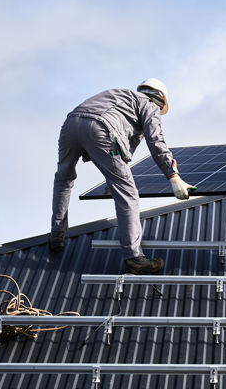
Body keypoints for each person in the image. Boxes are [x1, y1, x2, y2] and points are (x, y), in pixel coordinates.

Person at [49, 79, 193, 274]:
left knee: (63, 179)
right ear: (159, 100)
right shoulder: (149, 105)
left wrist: (114, 177)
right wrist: (173, 176)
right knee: (128, 195)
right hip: (100, 128)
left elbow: (124, 147)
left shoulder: (122, 97)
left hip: (71, 123)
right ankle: (134, 257)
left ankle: (57, 233)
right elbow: (156, 141)